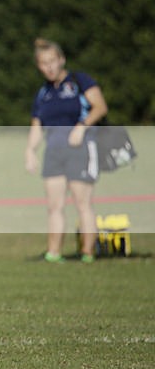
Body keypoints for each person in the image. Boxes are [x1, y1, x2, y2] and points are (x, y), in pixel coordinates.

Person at [25, 38, 108, 263]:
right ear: (39, 66)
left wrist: (81, 127)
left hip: (80, 149)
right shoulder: (43, 93)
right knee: (54, 206)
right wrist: (30, 151)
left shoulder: (80, 81)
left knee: (83, 203)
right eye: (44, 63)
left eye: (52, 61)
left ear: (61, 60)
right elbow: (37, 125)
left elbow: (100, 107)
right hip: (54, 152)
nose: (49, 67)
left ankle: (87, 254)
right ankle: (53, 253)